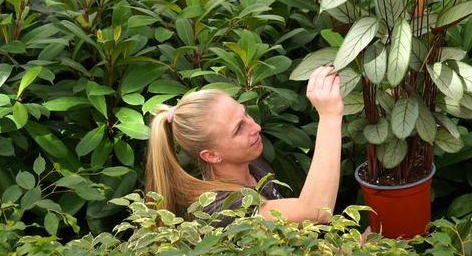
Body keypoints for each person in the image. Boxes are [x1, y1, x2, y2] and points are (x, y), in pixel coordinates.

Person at [144, 65, 343, 224]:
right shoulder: (222, 208)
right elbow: (315, 211)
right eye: (238, 128)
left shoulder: (252, 164)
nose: (255, 126)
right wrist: (329, 116)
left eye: (245, 113)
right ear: (211, 155)